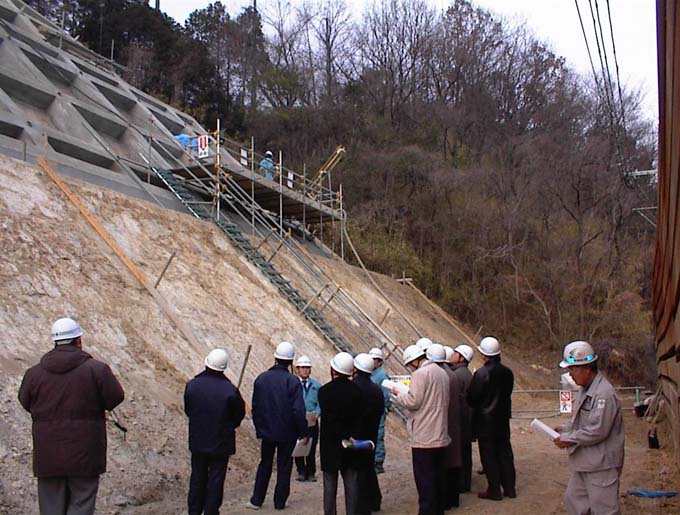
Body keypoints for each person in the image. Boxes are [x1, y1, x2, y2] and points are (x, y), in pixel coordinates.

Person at [18, 317, 124, 515]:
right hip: (86, 453)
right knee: (82, 504)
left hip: (48, 454)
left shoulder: (34, 374)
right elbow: (115, 397)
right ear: (79, 340)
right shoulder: (97, 370)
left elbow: (25, 401)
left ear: (55, 341)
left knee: (50, 507)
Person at [553, 341, 624, 515]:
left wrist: (568, 439)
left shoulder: (604, 394)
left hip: (601, 466)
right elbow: (581, 421)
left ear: (586, 369)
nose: (570, 374)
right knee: (574, 501)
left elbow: (598, 430)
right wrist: (564, 429)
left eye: (572, 369)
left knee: (604, 509)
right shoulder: (585, 389)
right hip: (585, 463)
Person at [184, 349, 246, 515]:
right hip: (221, 442)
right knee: (216, 479)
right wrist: (229, 425)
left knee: (197, 477)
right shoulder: (230, 390)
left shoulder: (192, 385)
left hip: (198, 440)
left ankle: (194, 510)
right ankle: (211, 511)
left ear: (207, 363)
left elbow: (189, 409)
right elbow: (238, 414)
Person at [391, 344, 450, 515]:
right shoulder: (442, 373)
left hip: (424, 436)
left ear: (414, 361)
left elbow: (413, 401)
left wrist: (398, 394)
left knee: (425, 481)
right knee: (437, 478)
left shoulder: (420, 374)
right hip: (440, 433)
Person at [247, 341, 307, 510]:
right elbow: (298, 410)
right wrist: (303, 431)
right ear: (291, 361)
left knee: (265, 463)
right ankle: (279, 502)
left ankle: (256, 500)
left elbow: (256, 407)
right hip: (287, 433)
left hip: (267, 431)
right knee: (284, 466)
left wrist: (259, 428)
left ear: (275, 357)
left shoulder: (262, 379)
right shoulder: (293, 381)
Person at [467, 336, 516, 501]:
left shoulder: (481, 374)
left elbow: (472, 397)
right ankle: (510, 488)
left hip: (485, 421)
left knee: (488, 455)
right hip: (503, 419)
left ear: (484, 354)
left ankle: (494, 490)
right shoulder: (508, 373)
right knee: (505, 453)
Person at [318, 352, 362, 515]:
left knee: (330, 485)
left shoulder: (324, 391)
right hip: (350, 443)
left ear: (333, 369)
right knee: (351, 484)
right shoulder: (357, 391)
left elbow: (330, 418)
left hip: (330, 444)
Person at [429, 344, 462, 510]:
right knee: (452, 464)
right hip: (452, 423)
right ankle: (452, 499)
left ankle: (445, 501)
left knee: (443, 466)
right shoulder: (451, 374)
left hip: (443, 424)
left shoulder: (441, 375)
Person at [353, 353, 385, 514]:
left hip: (355, 437)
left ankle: (363, 506)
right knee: (368, 468)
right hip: (371, 434)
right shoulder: (377, 390)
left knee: (358, 471)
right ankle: (375, 500)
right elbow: (381, 411)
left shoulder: (353, 388)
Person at [451, 344, 474, 493]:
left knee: (460, 453)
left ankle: (461, 484)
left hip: (460, 419)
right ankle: (465, 482)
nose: (452, 355)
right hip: (466, 419)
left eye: (455, 353)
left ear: (461, 358)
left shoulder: (458, 375)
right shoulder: (465, 373)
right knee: (465, 452)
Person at [294, 355, 321, 482]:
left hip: (312, 421)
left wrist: (317, 413)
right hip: (298, 421)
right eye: (303, 367)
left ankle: (311, 472)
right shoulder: (293, 385)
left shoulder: (316, 386)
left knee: (311, 447)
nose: (305, 370)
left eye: (307, 367)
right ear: (297, 369)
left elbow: (321, 403)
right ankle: (301, 471)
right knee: (299, 446)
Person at [368, 347, 391, 474]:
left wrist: (385, 406)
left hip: (378, 409)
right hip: (369, 409)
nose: (373, 362)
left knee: (378, 435)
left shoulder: (381, 376)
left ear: (380, 361)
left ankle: (378, 462)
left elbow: (386, 394)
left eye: (375, 360)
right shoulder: (370, 374)